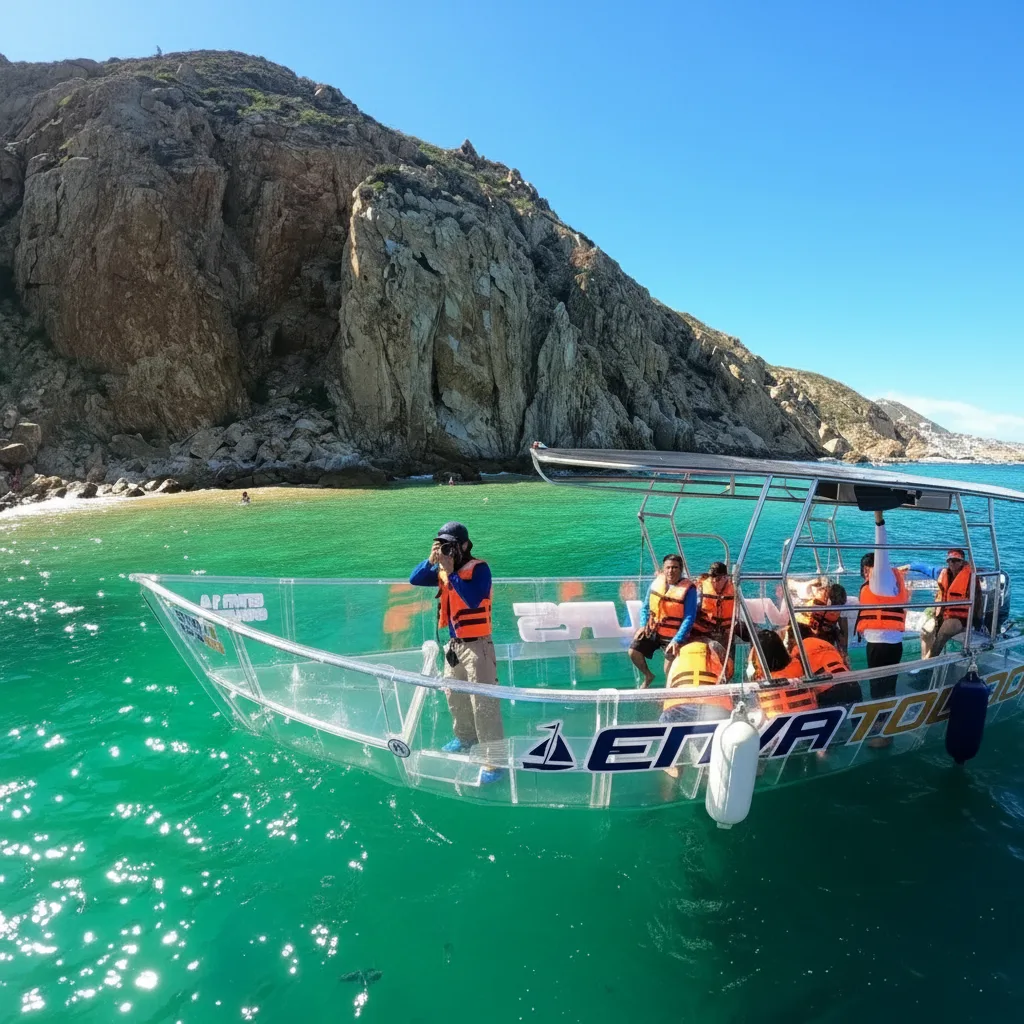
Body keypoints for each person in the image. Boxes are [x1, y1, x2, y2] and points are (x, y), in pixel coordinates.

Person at [409, 521, 504, 783]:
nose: (446, 550)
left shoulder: (479, 569)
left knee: (483, 703)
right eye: (441, 545)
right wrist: (430, 560)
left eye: (449, 545)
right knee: (455, 696)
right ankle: (465, 739)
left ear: (464, 545)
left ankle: (493, 761)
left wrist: (451, 573)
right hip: (454, 646)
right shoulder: (442, 570)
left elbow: (473, 599)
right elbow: (415, 579)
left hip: (477, 646)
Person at [855, 510, 908, 700]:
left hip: (880, 643)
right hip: (893, 642)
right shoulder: (890, 581)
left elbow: (881, 549)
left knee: (877, 688)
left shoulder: (878, 580)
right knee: (888, 686)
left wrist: (879, 521)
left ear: (867, 568)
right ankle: (888, 712)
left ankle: (880, 715)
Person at [899, 548, 982, 659]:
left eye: (956, 560)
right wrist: (909, 566)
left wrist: (978, 622)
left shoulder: (971, 578)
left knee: (943, 633)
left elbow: (978, 600)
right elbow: (925, 568)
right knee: (926, 631)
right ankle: (925, 661)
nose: (952, 563)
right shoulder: (942, 573)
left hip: (961, 619)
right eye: (950, 560)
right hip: (943, 615)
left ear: (962, 562)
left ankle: (929, 662)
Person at [629, 554, 697, 687]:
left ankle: (668, 692)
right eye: (668, 568)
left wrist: (677, 640)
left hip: (674, 634)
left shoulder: (689, 589)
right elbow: (645, 607)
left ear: (681, 569)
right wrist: (642, 626)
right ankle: (648, 675)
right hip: (654, 630)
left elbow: (689, 617)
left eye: (675, 568)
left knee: (668, 670)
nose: (671, 571)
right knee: (633, 652)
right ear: (663, 569)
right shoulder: (656, 583)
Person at [659, 640, 733, 723]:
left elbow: (667, 683)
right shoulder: (713, 647)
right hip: (713, 704)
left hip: (677, 705)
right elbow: (729, 671)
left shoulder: (676, 655)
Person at [690, 562, 744, 645]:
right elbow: (691, 612)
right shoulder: (701, 588)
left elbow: (739, 611)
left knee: (758, 634)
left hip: (727, 630)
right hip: (704, 630)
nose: (714, 581)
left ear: (725, 577)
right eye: (712, 577)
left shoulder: (734, 589)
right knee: (713, 646)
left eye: (718, 578)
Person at [796, 579, 849, 658]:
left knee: (836, 632)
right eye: (834, 604)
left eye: (838, 606)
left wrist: (845, 651)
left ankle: (842, 655)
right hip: (812, 632)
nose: (835, 608)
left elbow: (844, 632)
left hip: (827, 634)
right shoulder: (816, 600)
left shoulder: (839, 611)